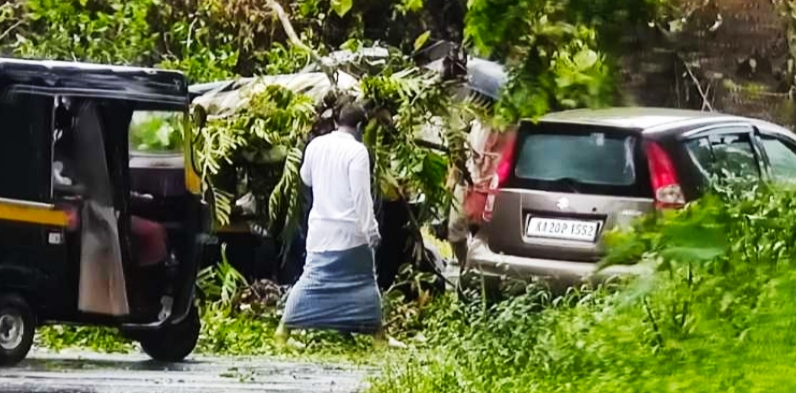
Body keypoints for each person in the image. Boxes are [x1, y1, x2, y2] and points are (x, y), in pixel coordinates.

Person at [276, 103, 397, 348]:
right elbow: (361, 195)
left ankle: (283, 331)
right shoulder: (357, 151)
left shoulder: (316, 145)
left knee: (311, 281)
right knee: (365, 284)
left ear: (335, 122)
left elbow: (306, 178)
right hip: (351, 232)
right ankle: (378, 337)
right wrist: (371, 230)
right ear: (361, 126)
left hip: (320, 231)